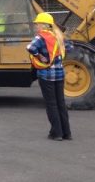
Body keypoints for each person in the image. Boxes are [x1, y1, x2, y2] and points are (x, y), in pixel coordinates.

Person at [26, 12, 72, 141]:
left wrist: (40, 56)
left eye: (37, 24)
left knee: (51, 104)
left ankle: (56, 133)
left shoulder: (41, 38)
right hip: (59, 74)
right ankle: (66, 132)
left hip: (46, 75)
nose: (35, 27)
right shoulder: (58, 36)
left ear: (42, 25)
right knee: (60, 103)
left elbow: (30, 47)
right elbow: (70, 47)